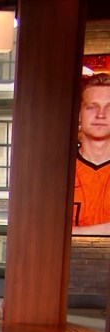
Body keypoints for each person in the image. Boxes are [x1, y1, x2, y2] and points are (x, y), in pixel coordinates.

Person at [73, 73, 110, 234]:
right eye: (91, 107)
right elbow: (43, 229)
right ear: (79, 114)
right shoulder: (58, 172)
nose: (101, 115)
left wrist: (75, 232)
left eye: (109, 108)